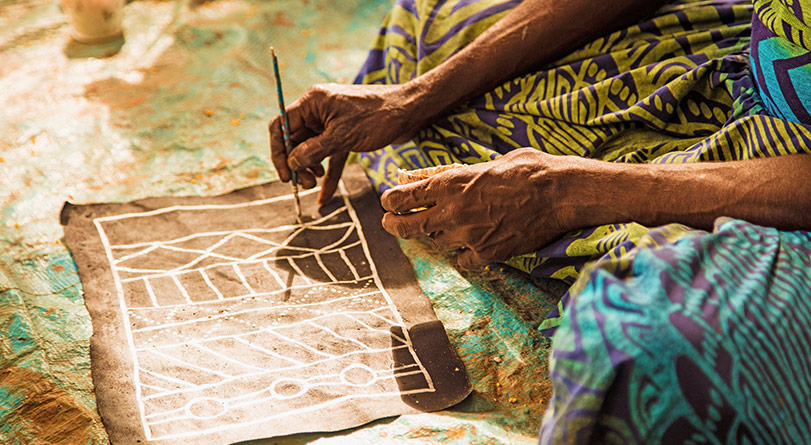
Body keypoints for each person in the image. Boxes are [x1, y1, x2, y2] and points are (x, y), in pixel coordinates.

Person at [269, 0, 811, 442]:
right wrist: (411, 99)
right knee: (430, 40)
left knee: (650, 350)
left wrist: (570, 191)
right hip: (741, 69)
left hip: (788, 181)